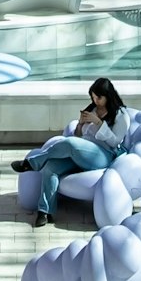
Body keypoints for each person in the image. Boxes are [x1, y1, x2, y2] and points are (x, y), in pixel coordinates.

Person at [14, 78, 131, 207]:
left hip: (104, 156)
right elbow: (78, 136)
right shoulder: (92, 109)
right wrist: (80, 124)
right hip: (82, 153)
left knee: (70, 143)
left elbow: (115, 142)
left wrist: (98, 122)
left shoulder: (120, 115)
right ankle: (45, 212)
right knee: (50, 168)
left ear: (108, 96)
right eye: (93, 98)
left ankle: (32, 162)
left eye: (99, 98)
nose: (95, 101)